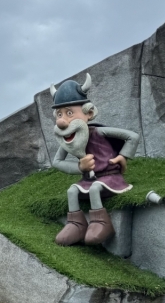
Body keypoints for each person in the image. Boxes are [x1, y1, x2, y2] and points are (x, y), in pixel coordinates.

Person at [49, 75, 140, 246]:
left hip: (110, 176)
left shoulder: (99, 132)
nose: (62, 121)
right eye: (59, 114)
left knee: (95, 188)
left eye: (69, 113)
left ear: (89, 113)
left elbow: (132, 137)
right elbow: (57, 162)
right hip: (88, 179)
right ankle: (76, 224)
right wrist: (79, 167)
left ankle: (101, 222)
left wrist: (123, 156)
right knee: (72, 191)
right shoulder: (70, 139)